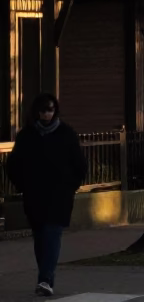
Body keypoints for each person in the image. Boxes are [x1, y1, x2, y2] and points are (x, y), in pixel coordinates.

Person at [4, 94, 86, 297]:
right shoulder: (28, 135)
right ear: (37, 112)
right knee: (40, 237)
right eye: (43, 111)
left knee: (52, 234)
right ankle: (45, 276)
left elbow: (80, 164)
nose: (46, 114)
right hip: (35, 194)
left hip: (59, 195)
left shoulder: (66, 134)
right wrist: (22, 184)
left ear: (55, 111)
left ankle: (45, 279)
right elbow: (13, 164)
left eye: (50, 110)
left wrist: (70, 186)